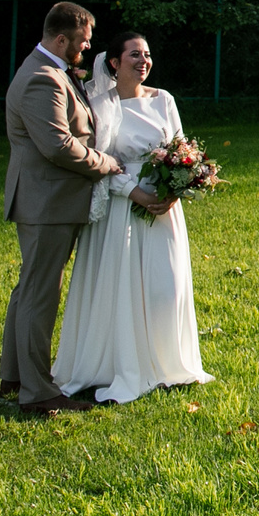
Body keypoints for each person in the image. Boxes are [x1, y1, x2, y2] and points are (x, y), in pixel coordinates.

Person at [52, 30, 212, 404]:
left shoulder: (164, 100)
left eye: (147, 55)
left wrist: (175, 189)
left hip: (162, 207)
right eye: (135, 56)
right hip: (121, 206)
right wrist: (133, 191)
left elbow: (180, 146)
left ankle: (165, 362)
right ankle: (115, 363)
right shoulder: (98, 101)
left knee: (164, 286)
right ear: (114, 62)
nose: (144, 62)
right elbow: (99, 158)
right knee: (119, 285)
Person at [1, 1, 140, 412]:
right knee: (39, 296)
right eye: (82, 42)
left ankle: (15, 377)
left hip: (48, 200)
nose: (85, 49)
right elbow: (58, 146)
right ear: (61, 39)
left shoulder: (52, 71)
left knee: (30, 289)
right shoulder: (42, 79)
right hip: (47, 203)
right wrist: (106, 164)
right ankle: (38, 394)